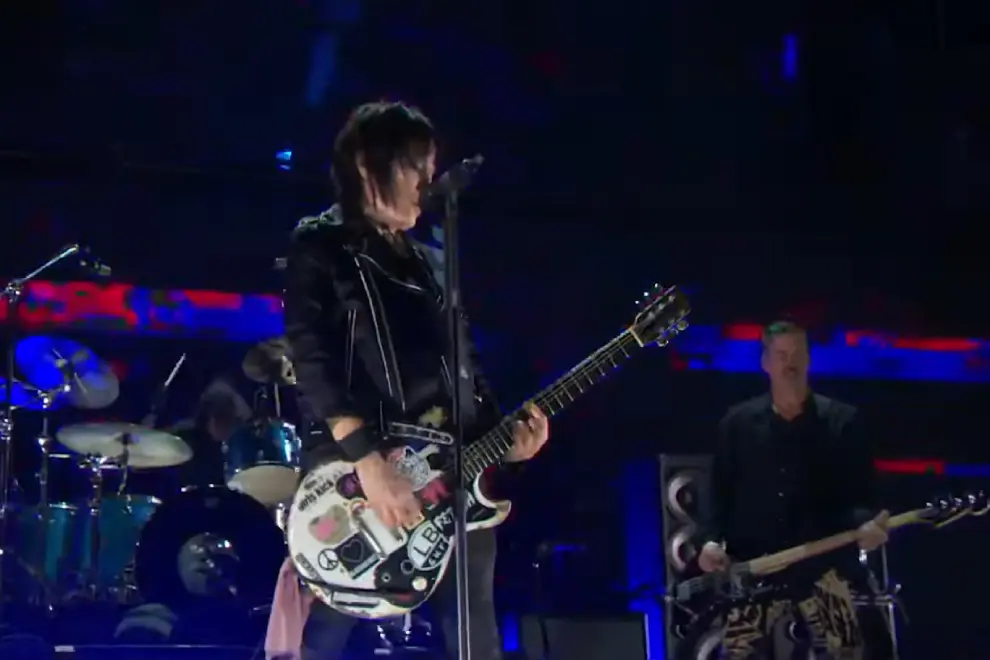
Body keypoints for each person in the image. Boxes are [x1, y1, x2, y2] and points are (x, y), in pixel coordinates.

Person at [282, 100, 550, 660]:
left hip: (449, 468)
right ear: (365, 165)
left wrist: (508, 441)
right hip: (359, 470)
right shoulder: (323, 245)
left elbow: (464, 362)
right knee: (334, 622)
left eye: (430, 168)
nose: (427, 183)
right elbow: (313, 358)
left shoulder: (431, 260)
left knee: (474, 629)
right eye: (414, 166)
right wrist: (367, 459)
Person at [697, 320, 887, 660]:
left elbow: (864, 496)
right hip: (757, 569)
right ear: (765, 362)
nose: (790, 364)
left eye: (798, 354)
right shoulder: (737, 425)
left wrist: (869, 525)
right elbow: (719, 493)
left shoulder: (843, 422)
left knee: (844, 652)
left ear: (810, 360)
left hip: (825, 567)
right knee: (740, 655)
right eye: (781, 355)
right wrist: (711, 541)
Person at [172, 377, 252, 489]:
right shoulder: (188, 436)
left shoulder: (240, 445)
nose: (220, 421)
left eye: (225, 415)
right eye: (217, 415)